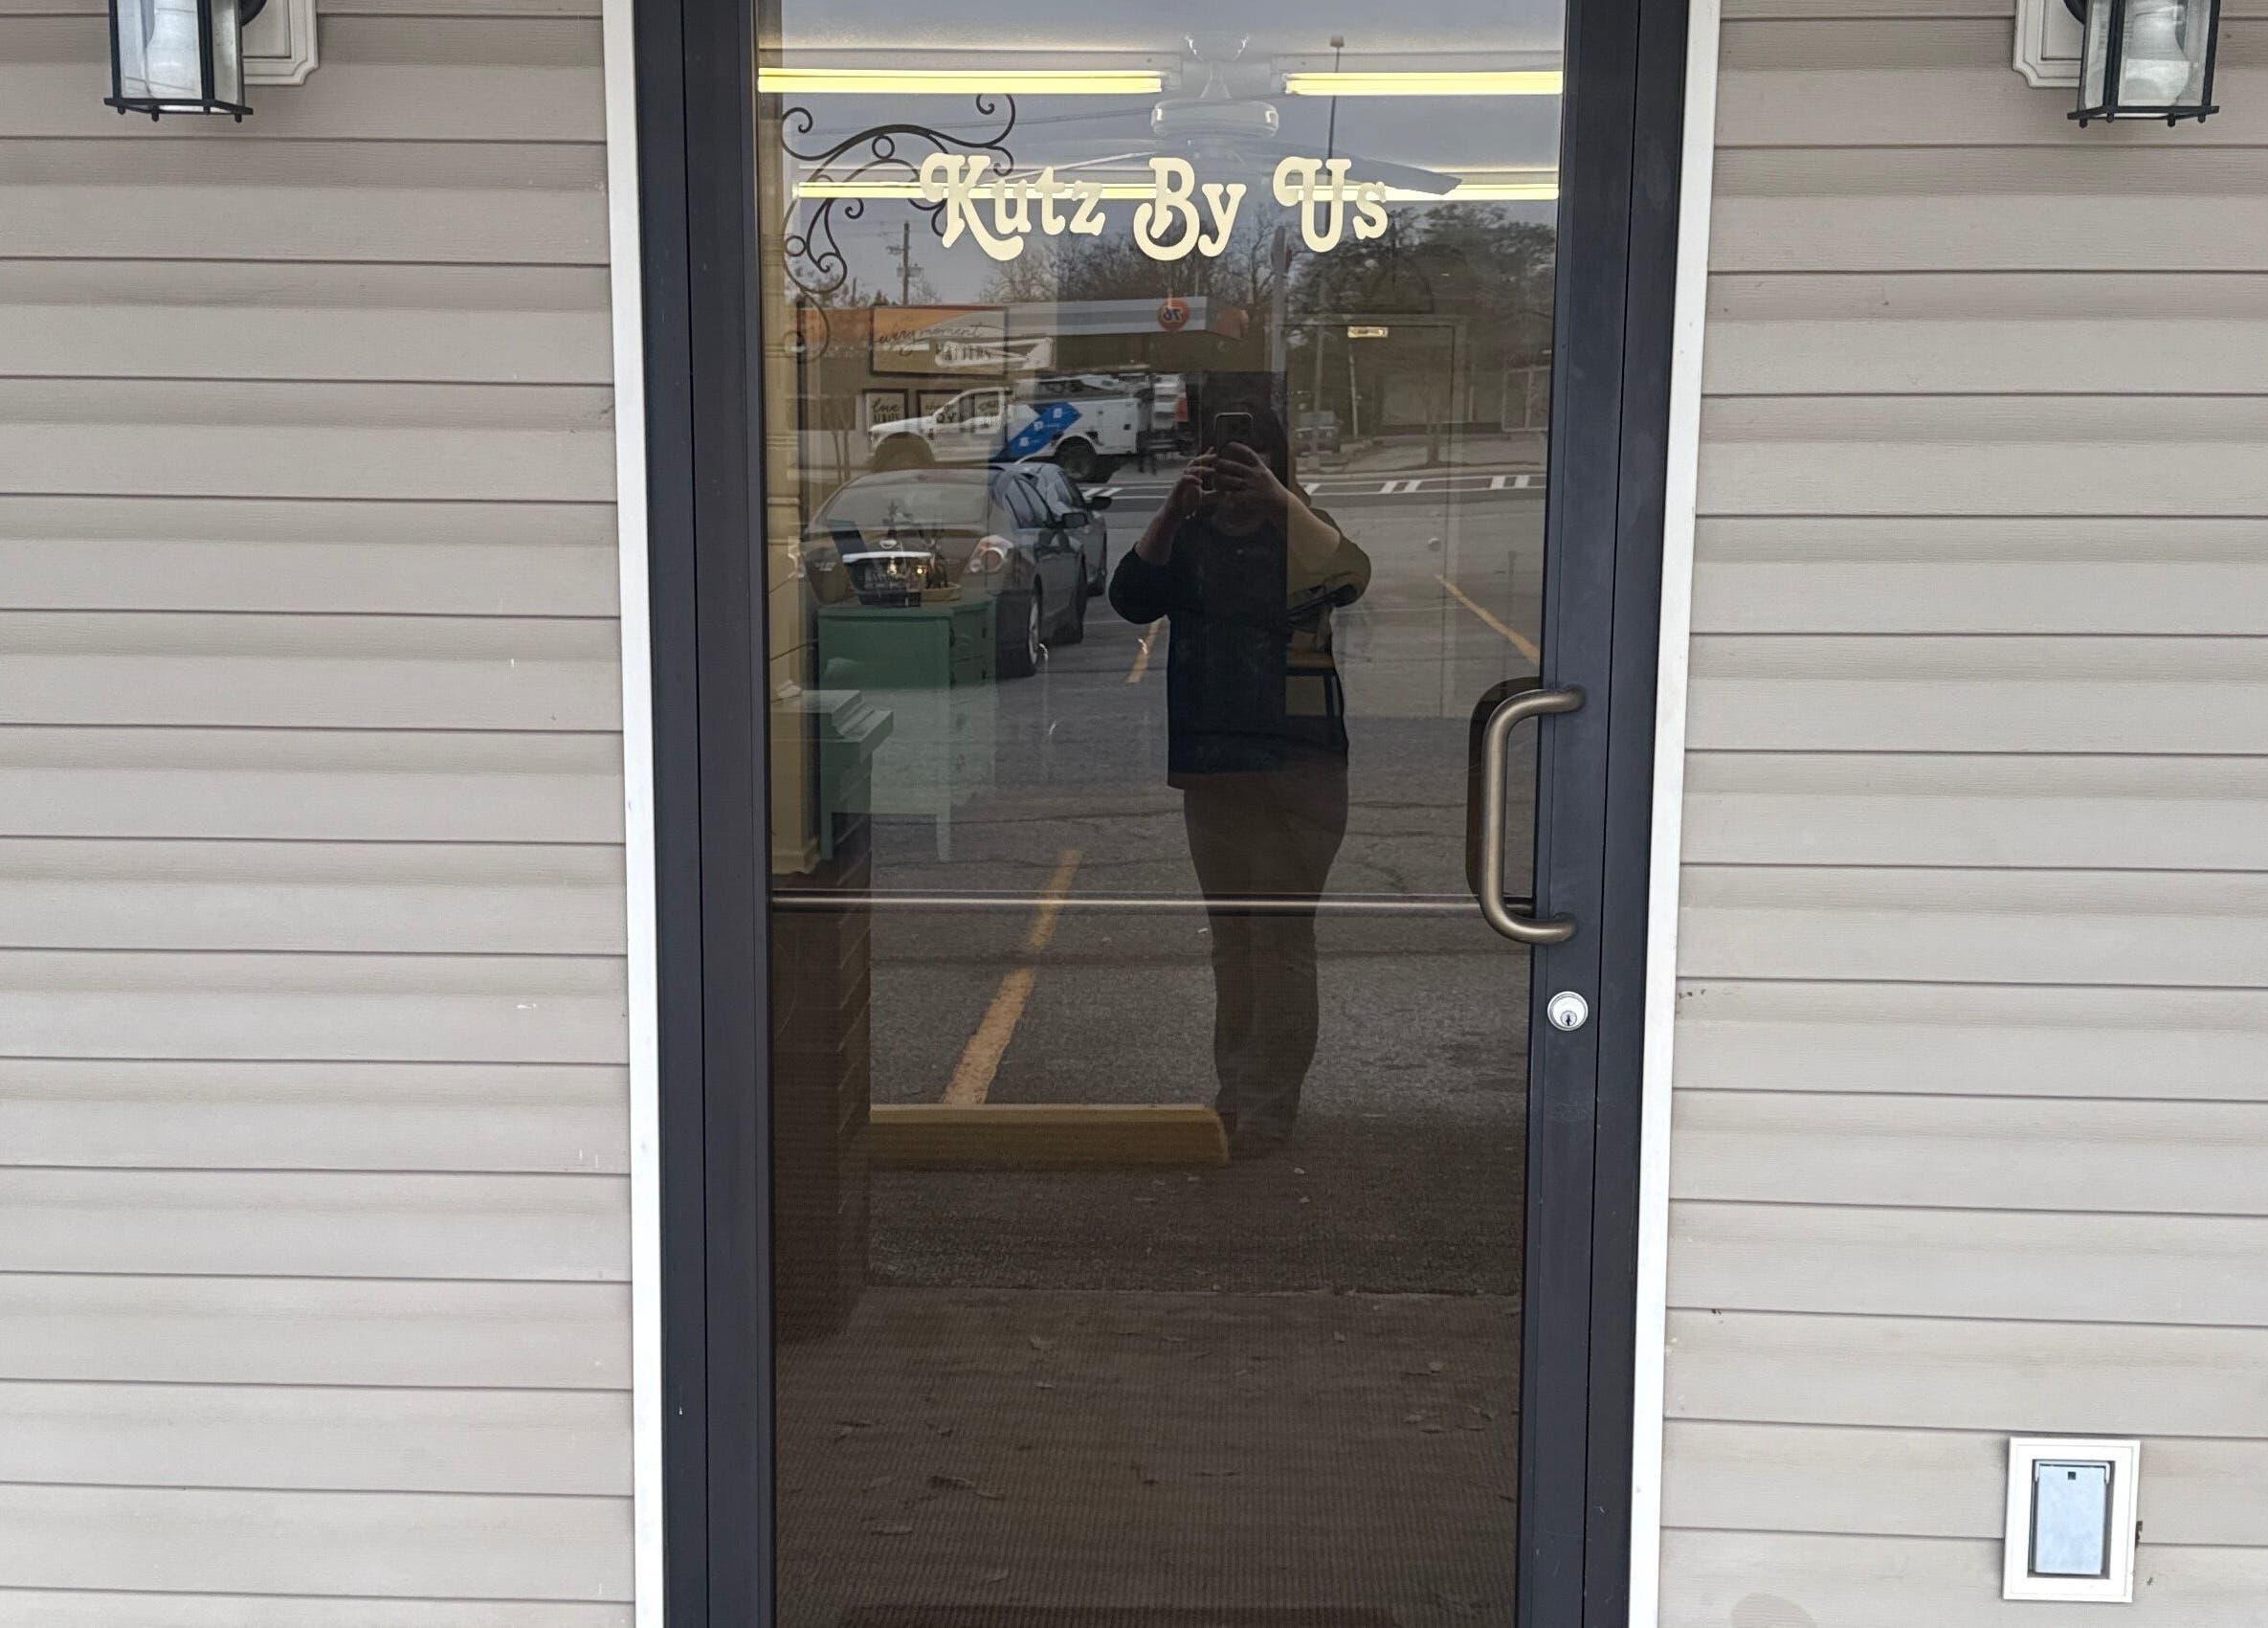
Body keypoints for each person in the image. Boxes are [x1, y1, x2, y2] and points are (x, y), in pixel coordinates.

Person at [1108, 403, 1371, 1158]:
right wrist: (1172, 508)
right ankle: (1235, 1095)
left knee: (1279, 941)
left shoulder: (1302, 527)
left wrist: (1279, 500)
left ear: (1277, 463)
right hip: (1212, 766)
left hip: (1299, 765)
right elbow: (1130, 598)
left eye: (1250, 459)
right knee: (1232, 942)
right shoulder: (1189, 535)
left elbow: (1350, 577)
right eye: (1223, 457)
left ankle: (1267, 1108)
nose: (1235, 472)